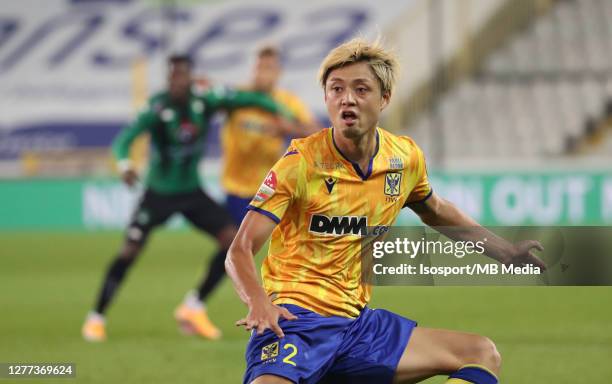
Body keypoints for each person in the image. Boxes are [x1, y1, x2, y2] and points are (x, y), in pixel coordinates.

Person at [225, 38, 547, 384]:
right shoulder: (301, 162)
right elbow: (239, 249)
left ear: (385, 99)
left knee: (481, 353)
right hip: (295, 324)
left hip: (357, 329)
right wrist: (258, 301)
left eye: (361, 89)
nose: (347, 98)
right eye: (336, 89)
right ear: (326, 98)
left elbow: (436, 211)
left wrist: (508, 252)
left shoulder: (403, 158)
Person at [81, 54, 291, 342]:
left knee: (232, 242)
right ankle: (96, 317)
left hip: (191, 191)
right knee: (129, 250)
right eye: (172, 77)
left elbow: (248, 99)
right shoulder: (156, 107)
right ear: (168, 79)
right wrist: (126, 166)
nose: (177, 82)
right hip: (159, 192)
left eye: (182, 76)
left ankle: (193, 306)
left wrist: (281, 113)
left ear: (190, 77)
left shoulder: (205, 100)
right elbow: (124, 141)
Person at [221, 45, 321, 225]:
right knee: (237, 243)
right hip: (236, 187)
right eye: (259, 67)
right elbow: (212, 102)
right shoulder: (238, 97)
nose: (263, 74)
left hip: (269, 187)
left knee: (246, 245)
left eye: (269, 68)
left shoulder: (287, 101)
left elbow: (316, 131)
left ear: (278, 73)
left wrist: (289, 128)